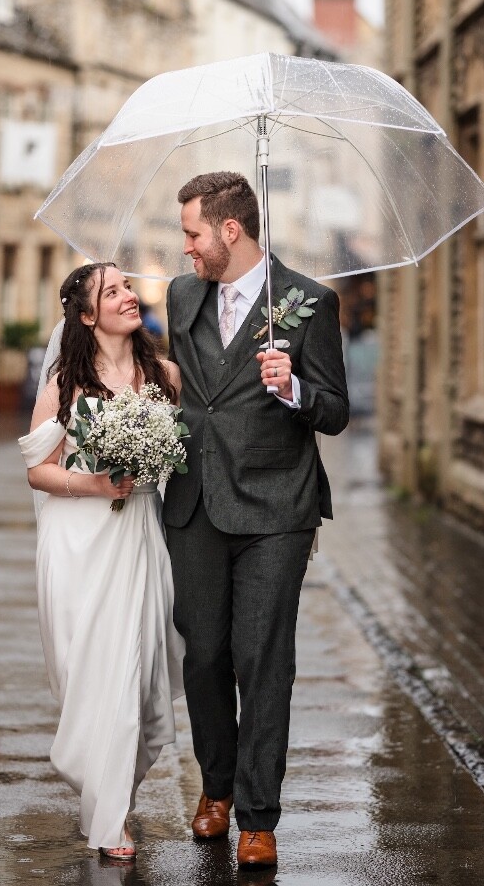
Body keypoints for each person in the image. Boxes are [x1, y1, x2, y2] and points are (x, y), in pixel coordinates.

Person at [163, 172, 349, 869]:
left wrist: (293, 386)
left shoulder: (308, 303)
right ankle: (214, 786)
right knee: (205, 653)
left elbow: (335, 409)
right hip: (194, 503)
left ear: (229, 231)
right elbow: (179, 386)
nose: (185, 249)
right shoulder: (183, 297)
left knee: (262, 657)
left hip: (276, 507)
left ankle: (257, 814)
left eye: (192, 234)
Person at [18, 262, 184, 860]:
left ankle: (114, 808)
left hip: (139, 538)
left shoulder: (163, 375)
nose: (128, 296)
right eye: (112, 291)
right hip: (76, 544)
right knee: (91, 677)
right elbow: (38, 470)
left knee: (137, 676)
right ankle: (108, 810)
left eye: (126, 287)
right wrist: (98, 484)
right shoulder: (65, 385)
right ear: (87, 316)